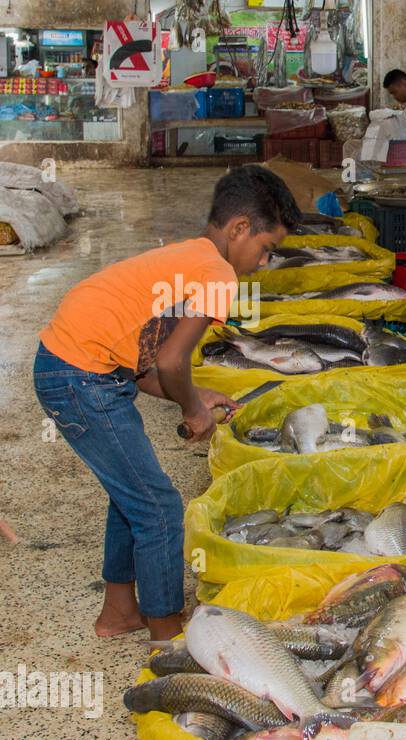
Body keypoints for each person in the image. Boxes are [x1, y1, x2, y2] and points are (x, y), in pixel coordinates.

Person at [33, 166, 302, 640]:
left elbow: (143, 367)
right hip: (81, 377)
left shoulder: (188, 256)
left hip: (77, 366)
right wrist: (193, 410)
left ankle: (119, 612)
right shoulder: (217, 273)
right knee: (158, 506)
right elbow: (173, 360)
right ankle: (166, 632)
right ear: (239, 228)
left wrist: (195, 395)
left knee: (133, 493)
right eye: (266, 249)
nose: (263, 263)